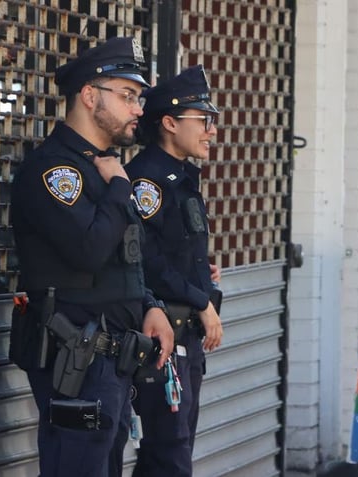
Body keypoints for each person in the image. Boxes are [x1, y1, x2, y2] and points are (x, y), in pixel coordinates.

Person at [8, 36, 174, 477]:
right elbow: (88, 250)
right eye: (127, 96)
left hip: (113, 359)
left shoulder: (103, 168)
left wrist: (150, 307)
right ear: (88, 95)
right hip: (76, 359)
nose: (139, 108)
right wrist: (120, 188)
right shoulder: (56, 171)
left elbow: (126, 258)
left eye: (138, 97)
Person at [124, 64, 224, 477]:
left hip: (186, 342)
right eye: (202, 120)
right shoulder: (147, 181)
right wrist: (199, 299)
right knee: (170, 457)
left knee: (164, 456)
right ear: (169, 123)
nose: (211, 130)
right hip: (163, 339)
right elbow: (144, 259)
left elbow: (175, 249)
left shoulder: (180, 178)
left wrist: (202, 276)